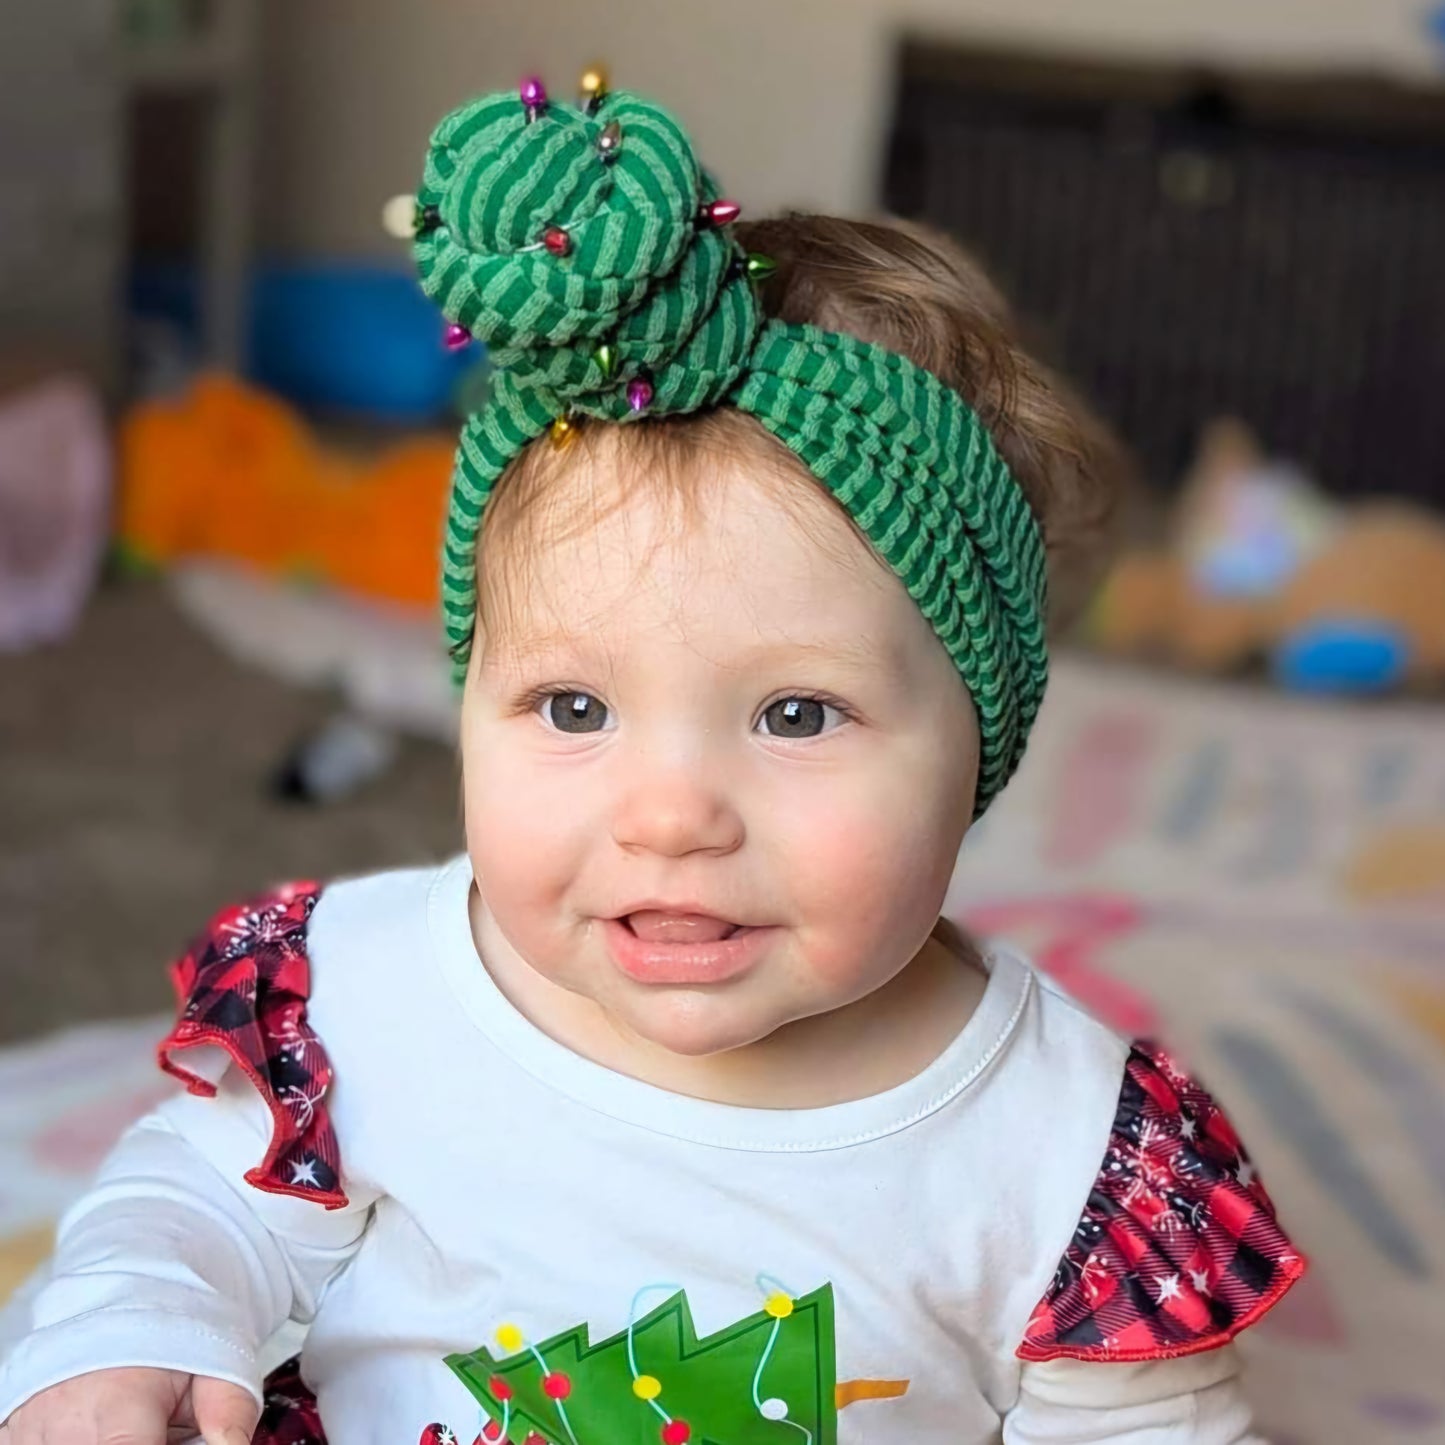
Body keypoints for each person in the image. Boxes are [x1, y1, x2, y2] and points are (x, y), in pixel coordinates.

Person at [0, 76, 1304, 1445]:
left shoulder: (1058, 1145)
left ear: (977, 739)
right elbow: (201, 1206)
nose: (670, 812)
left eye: (795, 714)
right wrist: (129, 1334)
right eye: (571, 707)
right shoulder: (373, 996)